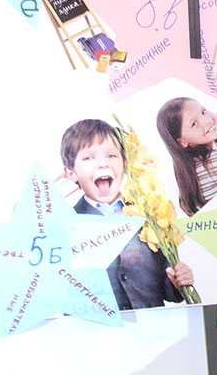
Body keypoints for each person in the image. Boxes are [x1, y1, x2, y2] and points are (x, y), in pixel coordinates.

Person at [61, 119, 193, 310]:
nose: (102, 164)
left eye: (111, 155)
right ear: (70, 172)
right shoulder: (65, 225)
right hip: (96, 327)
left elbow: (165, 286)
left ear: (124, 163)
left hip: (152, 325)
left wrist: (177, 281)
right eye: (89, 158)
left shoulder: (149, 214)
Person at [157, 83, 217, 217]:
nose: (207, 121)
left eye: (203, 112)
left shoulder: (190, 169)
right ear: (182, 141)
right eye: (194, 124)